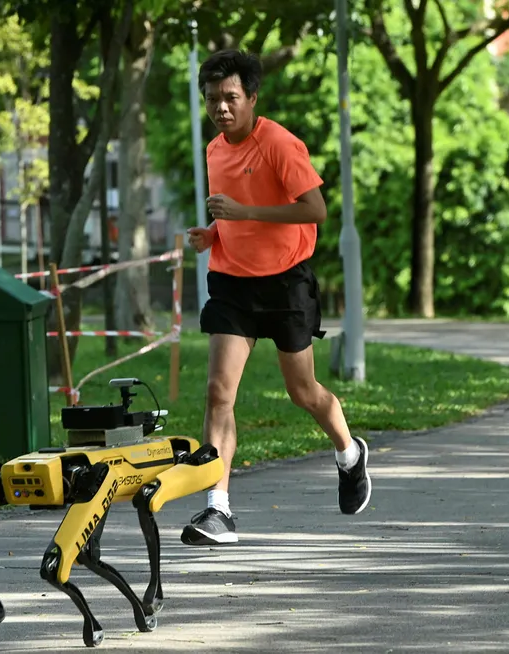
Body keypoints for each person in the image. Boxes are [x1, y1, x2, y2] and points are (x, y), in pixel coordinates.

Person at [181, 49, 372, 547]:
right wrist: (214, 235)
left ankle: (349, 454)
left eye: (230, 98)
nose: (221, 108)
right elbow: (234, 217)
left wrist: (244, 213)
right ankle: (217, 509)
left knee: (302, 392)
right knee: (219, 392)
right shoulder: (214, 150)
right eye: (212, 100)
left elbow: (315, 210)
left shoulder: (280, 144)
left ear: (251, 97)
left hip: (286, 282)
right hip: (232, 284)